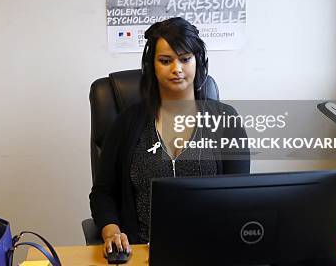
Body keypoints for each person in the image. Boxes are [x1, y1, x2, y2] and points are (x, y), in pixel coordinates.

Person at [89, 17, 249, 256]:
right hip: (142, 252)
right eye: (166, 61)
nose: (177, 69)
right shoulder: (127, 123)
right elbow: (103, 193)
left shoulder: (226, 121)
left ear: (198, 62)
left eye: (185, 59)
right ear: (151, 66)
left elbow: (241, 195)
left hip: (211, 251)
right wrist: (111, 232)